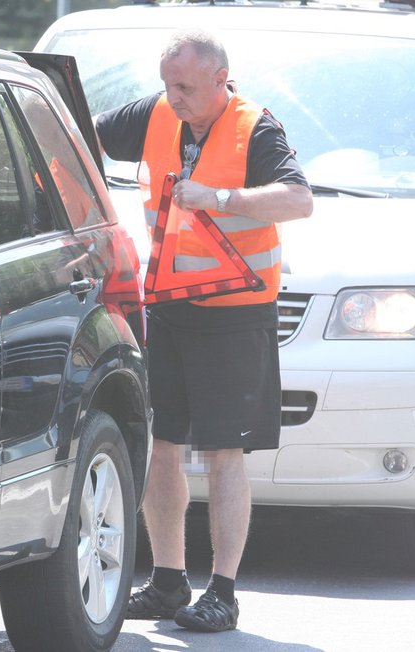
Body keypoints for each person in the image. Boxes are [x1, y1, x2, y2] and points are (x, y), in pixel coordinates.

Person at [94, 28, 313, 632]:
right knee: (160, 448)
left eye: (185, 86)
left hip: (235, 315)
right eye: (167, 84)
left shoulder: (255, 127)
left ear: (221, 79)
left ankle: (223, 592)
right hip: (168, 309)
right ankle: (167, 581)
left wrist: (217, 196)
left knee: (223, 453)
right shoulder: (158, 112)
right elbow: (80, 134)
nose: (174, 97)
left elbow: (298, 200)